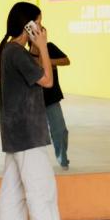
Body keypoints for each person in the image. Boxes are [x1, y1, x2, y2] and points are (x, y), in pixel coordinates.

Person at [0, 2, 79, 220]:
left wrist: (37, 48)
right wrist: (42, 46)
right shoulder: (17, 53)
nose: (41, 28)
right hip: (28, 134)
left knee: (13, 191)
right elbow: (47, 80)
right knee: (41, 189)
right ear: (28, 26)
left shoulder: (10, 52)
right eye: (38, 23)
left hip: (15, 133)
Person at [30, 41, 71, 169]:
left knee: (60, 131)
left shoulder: (50, 47)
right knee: (35, 135)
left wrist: (48, 62)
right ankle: (35, 164)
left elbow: (66, 60)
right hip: (33, 100)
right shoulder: (24, 54)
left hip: (51, 98)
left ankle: (63, 160)